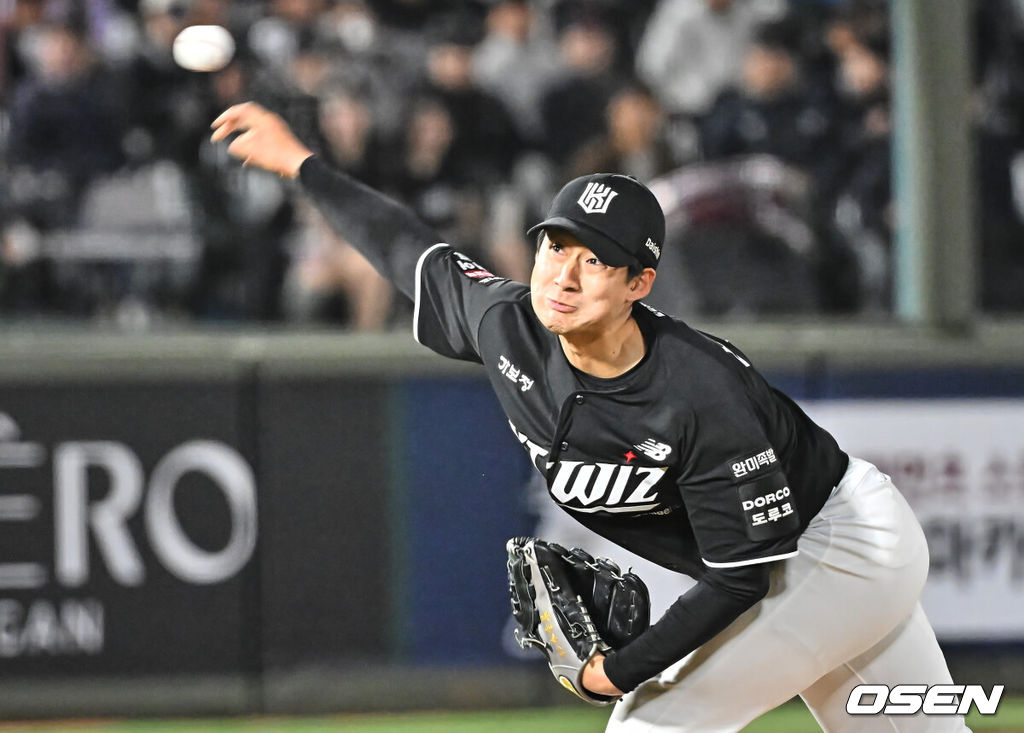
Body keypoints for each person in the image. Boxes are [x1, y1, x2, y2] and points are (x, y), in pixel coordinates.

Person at [210, 101, 967, 732]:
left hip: (837, 549)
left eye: (595, 260)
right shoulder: (507, 322)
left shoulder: (697, 392)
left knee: (650, 722)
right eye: (554, 246)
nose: (563, 274)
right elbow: (405, 246)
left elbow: (743, 577)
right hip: (807, 556)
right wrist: (302, 165)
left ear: (641, 281)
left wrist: (615, 671)